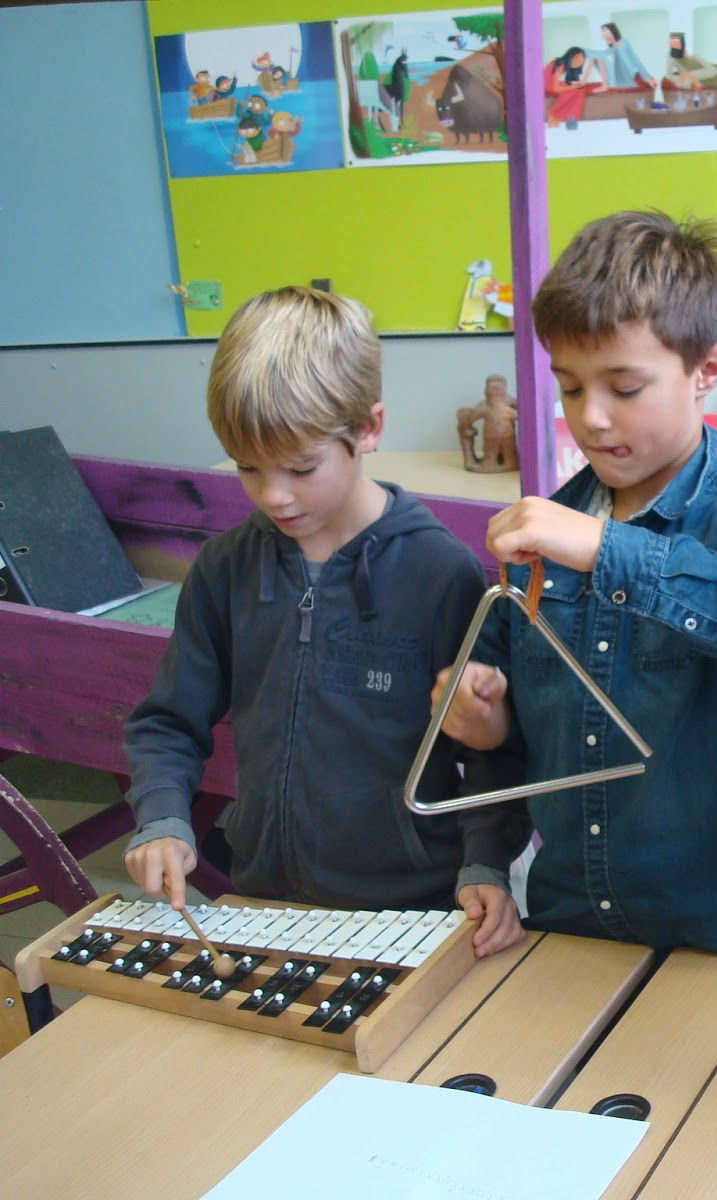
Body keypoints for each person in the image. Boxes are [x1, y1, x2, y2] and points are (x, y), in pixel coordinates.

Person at [437, 210, 717, 960]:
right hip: (571, 931)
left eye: (624, 388)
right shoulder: (544, 539)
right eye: (569, 387)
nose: (590, 418)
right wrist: (480, 730)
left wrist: (608, 550)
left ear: (707, 369)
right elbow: (501, 745)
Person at [122, 286, 489, 916]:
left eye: (300, 468)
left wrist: (485, 863)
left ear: (368, 428)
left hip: (412, 905)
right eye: (248, 468)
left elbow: (490, 754)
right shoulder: (225, 567)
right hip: (265, 894)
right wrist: (161, 816)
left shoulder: (440, 573)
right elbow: (169, 720)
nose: (274, 496)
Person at [589, 21, 654, 91]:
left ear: (613, 31)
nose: (605, 35)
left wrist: (647, 78)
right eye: (603, 33)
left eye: (606, 32)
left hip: (629, 74)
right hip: (619, 77)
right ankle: (606, 84)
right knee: (595, 58)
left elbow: (635, 59)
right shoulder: (611, 48)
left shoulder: (624, 41)